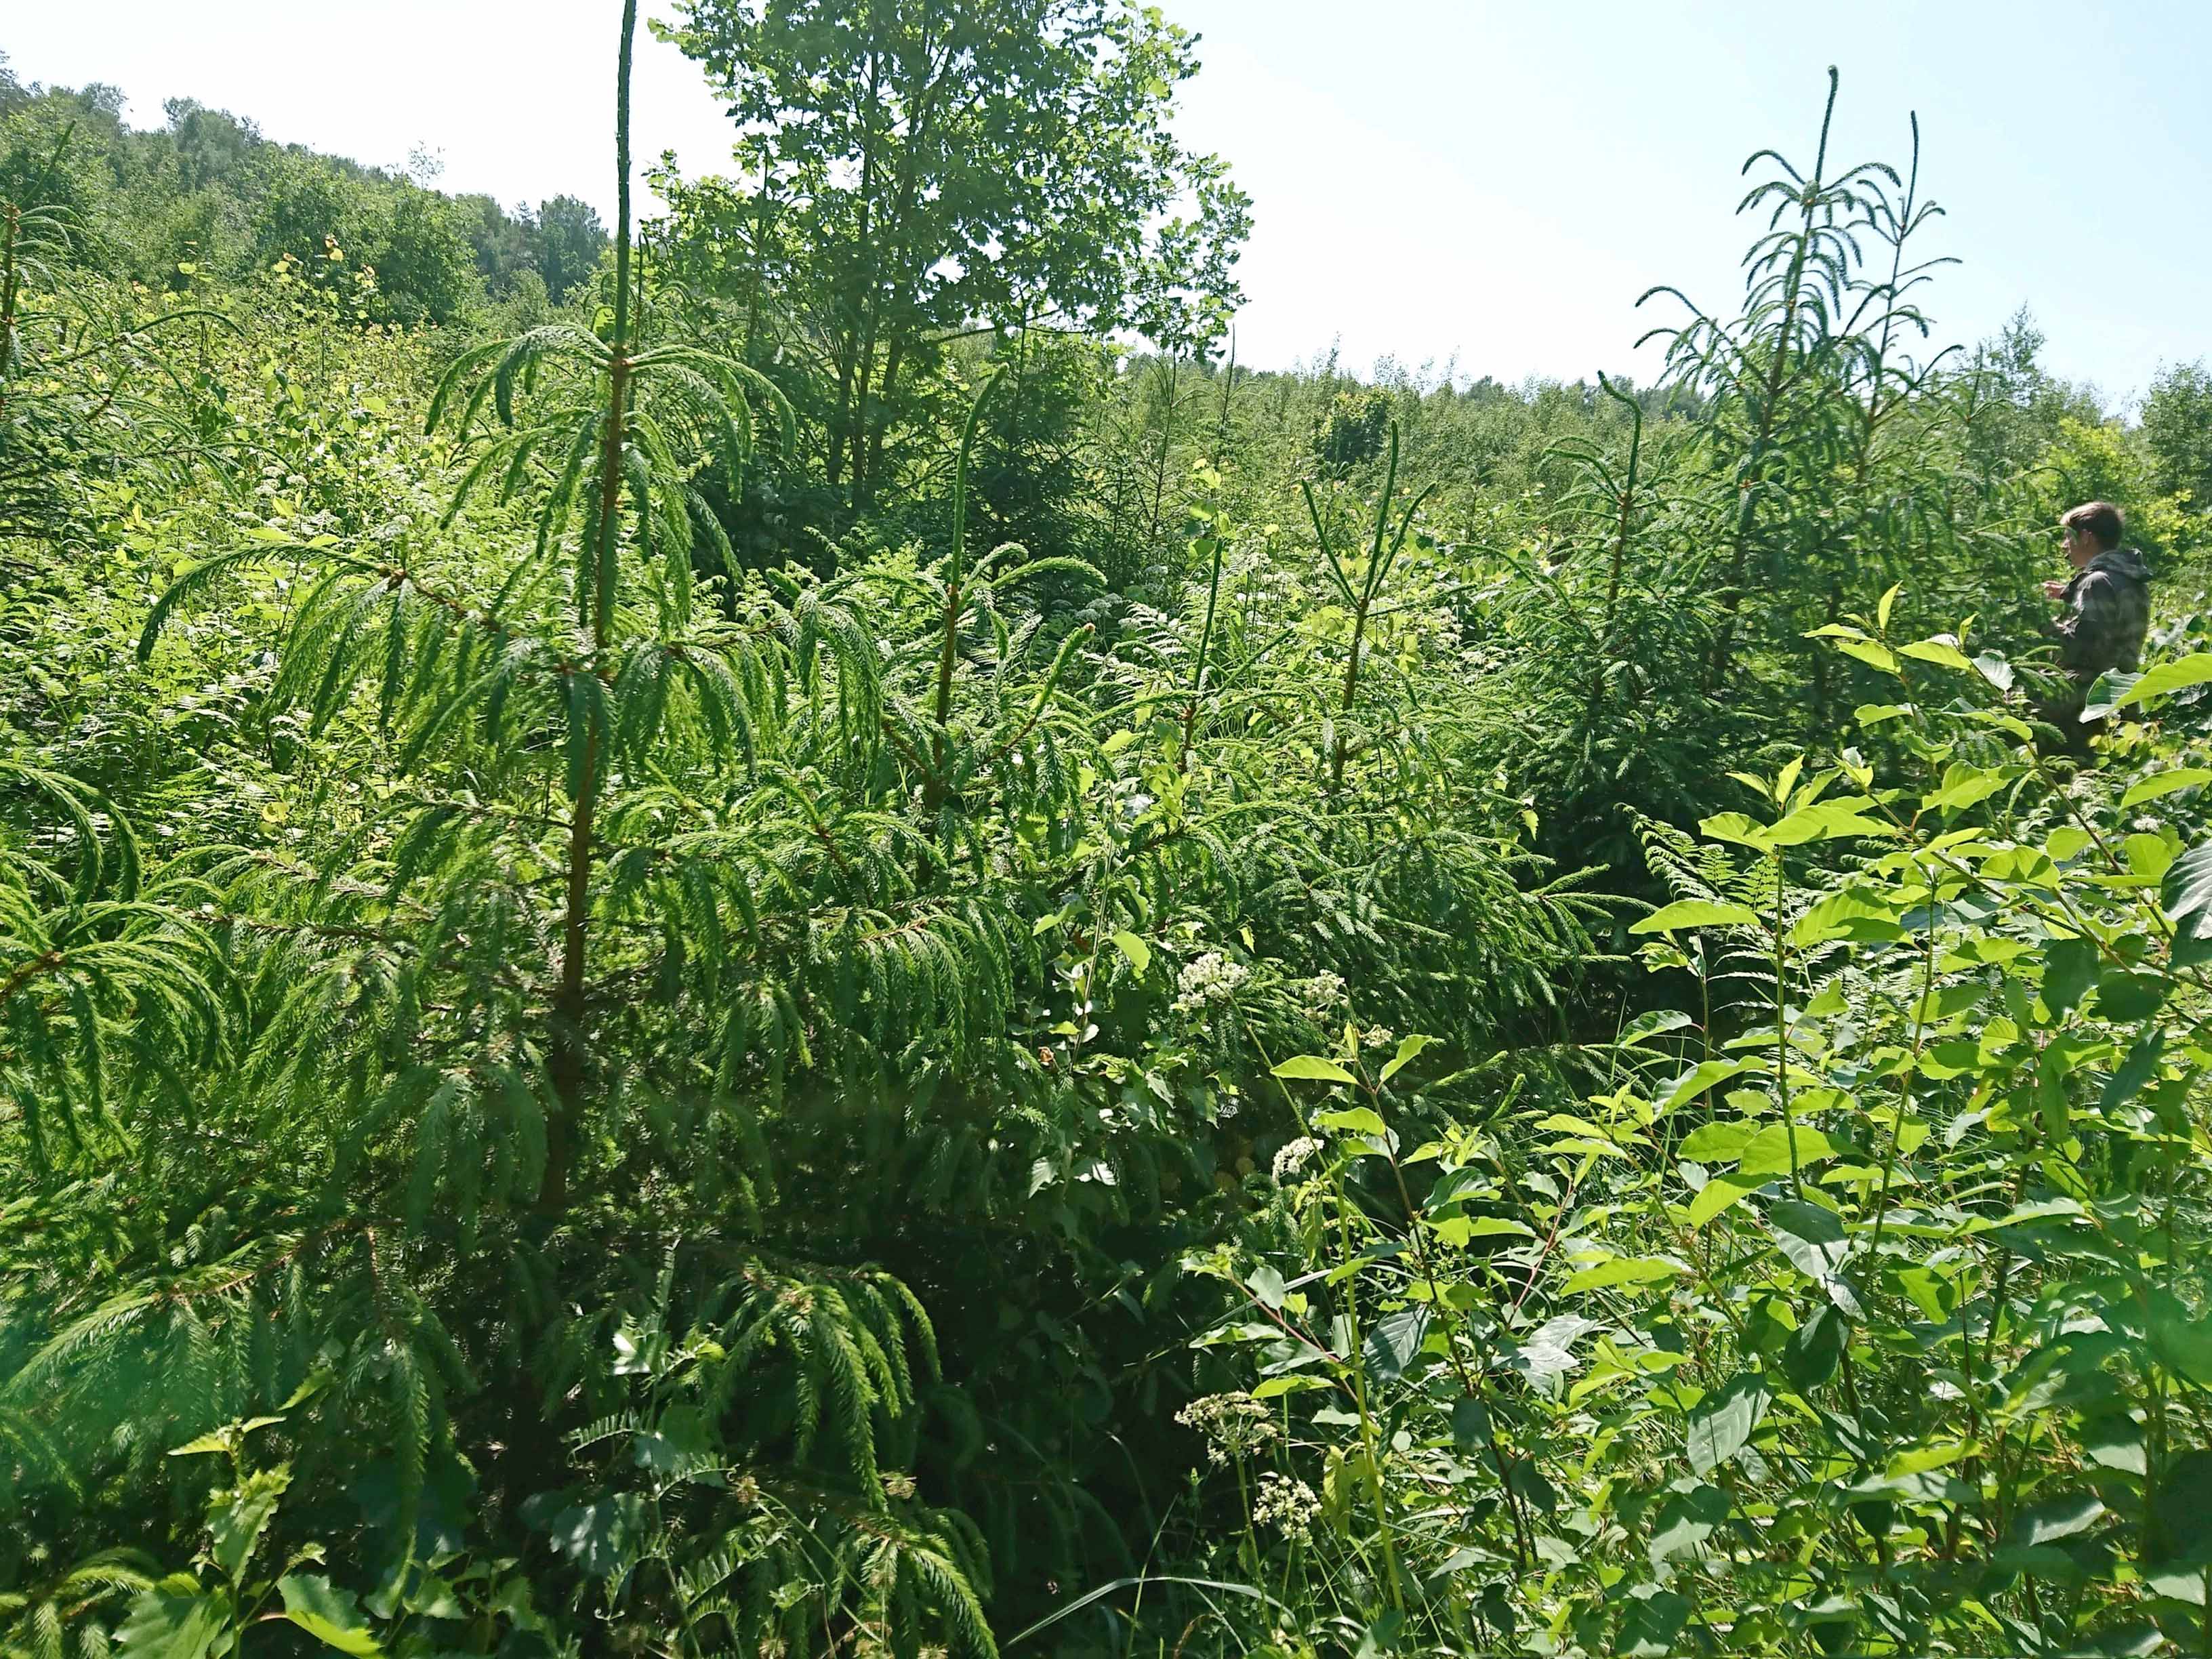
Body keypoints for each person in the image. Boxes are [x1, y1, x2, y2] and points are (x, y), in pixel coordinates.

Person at [2037, 501, 2152, 754]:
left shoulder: (2096, 583)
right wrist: (2070, 593)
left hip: (2082, 707)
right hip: (2121, 699)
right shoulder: (2132, 579)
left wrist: (2042, 622)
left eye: (2068, 537)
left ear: (2087, 538)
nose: (2064, 545)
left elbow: (2084, 648)